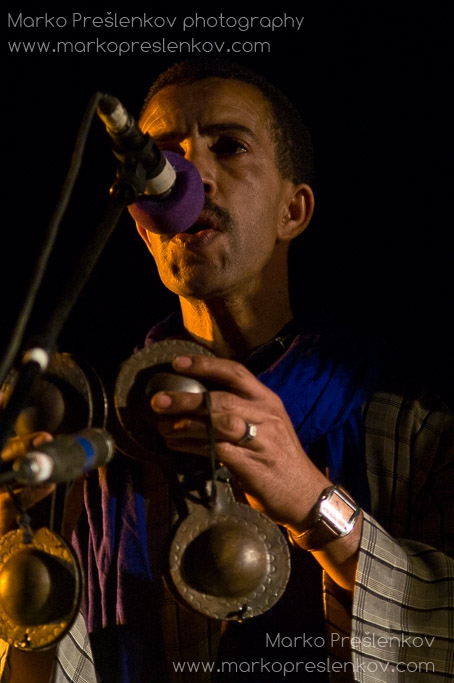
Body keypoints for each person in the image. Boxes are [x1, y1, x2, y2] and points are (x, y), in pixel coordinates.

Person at [0, 58, 453, 682]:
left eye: (229, 146)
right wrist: (22, 560)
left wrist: (316, 506)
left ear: (293, 211)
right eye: (162, 157)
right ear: (143, 228)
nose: (189, 178)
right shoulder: (95, 449)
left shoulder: (417, 433)